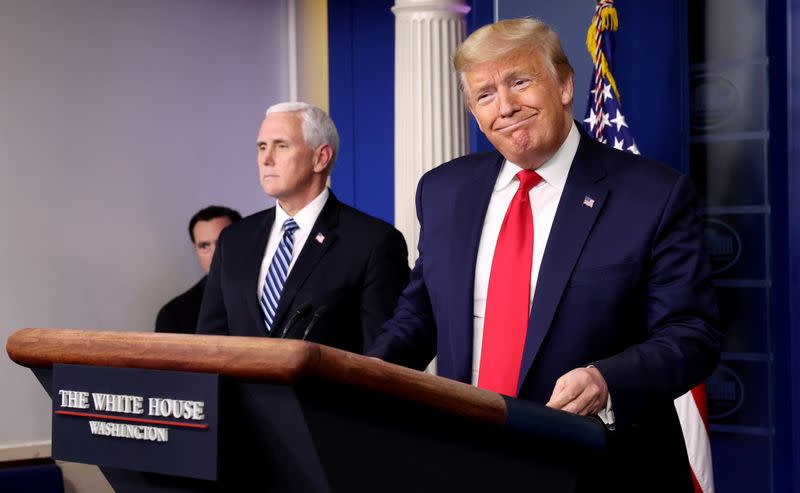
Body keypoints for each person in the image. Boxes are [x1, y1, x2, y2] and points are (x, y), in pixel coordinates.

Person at [368, 19, 721, 492]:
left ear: (565, 85)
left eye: (520, 81)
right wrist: (357, 381)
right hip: (469, 460)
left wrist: (606, 380)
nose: (506, 107)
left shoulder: (653, 194)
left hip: (600, 468)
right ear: (473, 112)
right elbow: (419, 317)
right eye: (485, 94)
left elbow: (692, 333)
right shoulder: (444, 190)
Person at [197, 102, 409, 354]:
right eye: (262, 147)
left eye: (281, 145)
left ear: (321, 158)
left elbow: (383, 356)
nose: (266, 159)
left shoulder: (372, 242)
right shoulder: (234, 240)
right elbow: (209, 343)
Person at [155, 206, 242, 334]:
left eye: (223, 242)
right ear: (195, 249)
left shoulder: (271, 293)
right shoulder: (173, 314)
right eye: (204, 246)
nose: (215, 254)